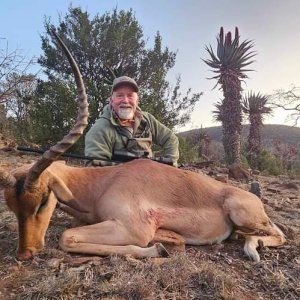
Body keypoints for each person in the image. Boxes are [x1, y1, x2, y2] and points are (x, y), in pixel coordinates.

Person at [85, 76, 179, 167]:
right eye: (119, 95)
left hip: (150, 176)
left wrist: (169, 165)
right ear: (111, 101)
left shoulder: (147, 119)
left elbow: (171, 139)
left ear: (137, 101)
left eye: (130, 96)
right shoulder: (99, 129)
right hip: (119, 182)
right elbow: (94, 170)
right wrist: (131, 171)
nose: (125, 100)